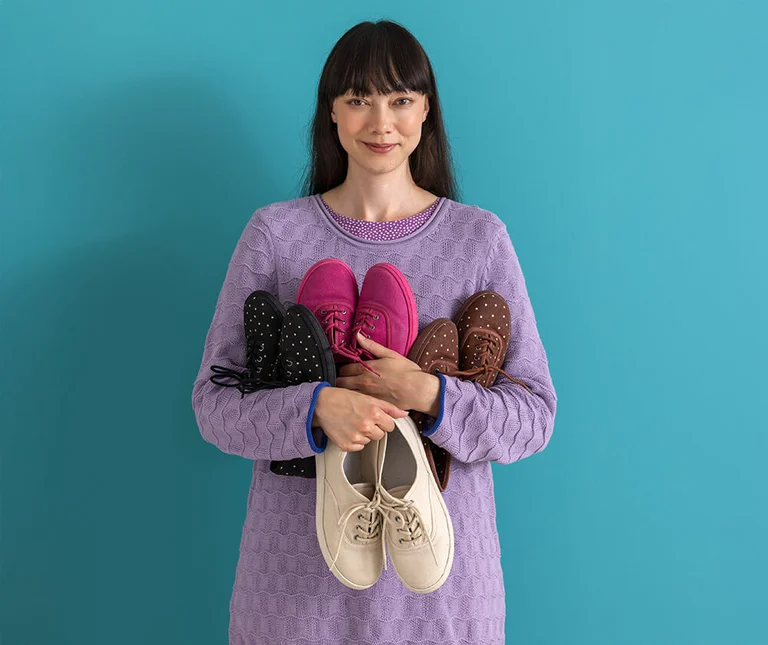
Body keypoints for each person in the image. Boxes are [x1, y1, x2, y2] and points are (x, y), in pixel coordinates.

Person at [191, 18, 558, 645]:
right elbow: (214, 403)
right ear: (331, 111)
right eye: (358, 98)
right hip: (295, 592)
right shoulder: (276, 236)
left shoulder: (478, 240)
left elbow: (534, 417)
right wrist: (315, 407)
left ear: (427, 112)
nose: (380, 121)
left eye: (400, 99)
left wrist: (430, 396)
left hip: (442, 597)